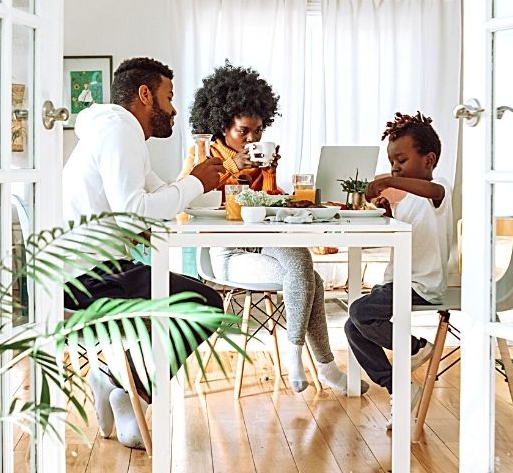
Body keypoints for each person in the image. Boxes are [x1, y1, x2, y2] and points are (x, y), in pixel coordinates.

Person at [62, 57, 225, 449]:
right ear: (145, 94)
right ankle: (122, 387)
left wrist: (193, 184)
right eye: (168, 98)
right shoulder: (120, 132)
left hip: (93, 268)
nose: (172, 110)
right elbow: (137, 210)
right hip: (81, 279)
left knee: (193, 298)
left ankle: (117, 382)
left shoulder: (117, 131)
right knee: (204, 303)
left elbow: (154, 198)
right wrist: (195, 182)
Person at [179, 62, 361, 395]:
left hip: (264, 242)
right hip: (228, 253)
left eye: (258, 130)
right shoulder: (203, 154)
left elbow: (266, 207)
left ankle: (308, 360)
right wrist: (234, 165)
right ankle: (318, 364)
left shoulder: (260, 157)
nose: (252, 138)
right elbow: (187, 204)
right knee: (310, 278)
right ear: (221, 125)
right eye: (243, 131)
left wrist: (272, 175)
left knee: (302, 264)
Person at [344, 111, 453, 426]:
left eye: (401, 161)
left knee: (360, 312)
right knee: (353, 327)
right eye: (392, 162)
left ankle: (416, 347)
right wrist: (387, 210)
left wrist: (389, 181)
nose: (394, 168)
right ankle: (399, 388)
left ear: (429, 160)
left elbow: (433, 193)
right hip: (397, 283)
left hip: (421, 286)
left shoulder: (438, 190)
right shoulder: (407, 202)